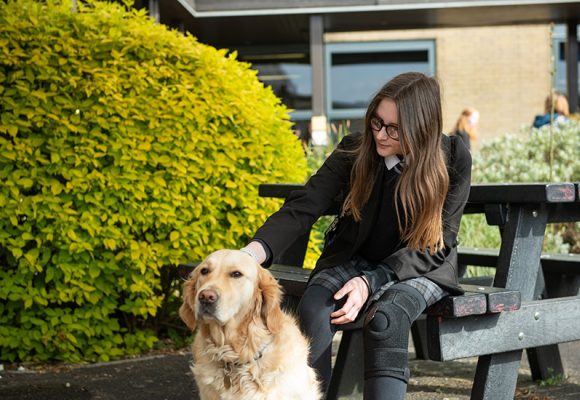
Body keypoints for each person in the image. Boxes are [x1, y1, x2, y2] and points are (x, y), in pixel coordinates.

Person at [239, 72, 472, 399]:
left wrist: (371, 282)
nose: (381, 135)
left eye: (393, 129)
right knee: (314, 307)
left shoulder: (453, 157)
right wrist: (249, 256)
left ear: (421, 129)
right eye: (376, 122)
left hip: (421, 264)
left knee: (387, 319)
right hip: (357, 258)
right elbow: (306, 204)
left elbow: (439, 243)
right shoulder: (355, 149)